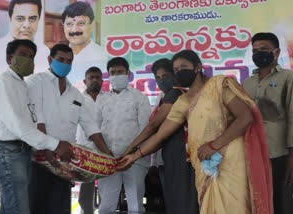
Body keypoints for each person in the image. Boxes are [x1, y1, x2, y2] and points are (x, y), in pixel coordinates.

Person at [118, 50, 273, 214]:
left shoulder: (218, 85)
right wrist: (134, 156)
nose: (179, 72)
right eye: (176, 69)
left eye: (183, 66)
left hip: (231, 161)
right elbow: (160, 135)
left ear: (198, 67)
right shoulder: (183, 101)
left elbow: (245, 117)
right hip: (204, 166)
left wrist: (214, 145)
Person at [0, 39, 74, 214]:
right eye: (23, 55)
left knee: (13, 207)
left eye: (31, 57)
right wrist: (55, 144)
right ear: (10, 58)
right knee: (18, 209)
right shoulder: (4, 82)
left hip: (21, 152)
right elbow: (17, 126)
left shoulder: (21, 84)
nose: (28, 60)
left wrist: (46, 148)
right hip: (8, 152)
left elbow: (27, 123)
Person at [27, 44, 111, 214]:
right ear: (50, 60)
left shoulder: (75, 94)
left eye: (69, 61)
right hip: (38, 161)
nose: (65, 64)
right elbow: (37, 118)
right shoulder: (35, 82)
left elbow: (91, 127)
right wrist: (49, 151)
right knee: (36, 207)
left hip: (64, 164)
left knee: (61, 208)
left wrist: (108, 157)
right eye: (61, 60)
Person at [120, 58, 198, 213]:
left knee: (182, 201)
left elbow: (154, 126)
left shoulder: (175, 93)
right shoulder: (166, 96)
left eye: (166, 75)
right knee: (175, 200)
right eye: (158, 78)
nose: (162, 81)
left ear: (174, 74)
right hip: (171, 155)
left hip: (181, 155)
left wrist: (131, 148)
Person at [243, 32, 293, 214]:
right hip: (252, 153)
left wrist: (291, 156)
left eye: (263, 49)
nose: (258, 53)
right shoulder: (247, 83)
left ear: (277, 52)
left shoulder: (288, 78)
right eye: (255, 50)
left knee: (281, 202)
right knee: (257, 202)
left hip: (279, 152)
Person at [96, 57, 151, 213]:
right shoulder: (102, 99)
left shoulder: (140, 98)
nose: (116, 75)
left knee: (135, 205)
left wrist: (132, 154)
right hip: (107, 159)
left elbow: (145, 129)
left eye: (120, 71)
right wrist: (104, 152)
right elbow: (95, 129)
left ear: (128, 73)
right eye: (112, 72)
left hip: (134, 160)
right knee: (106, 205)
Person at [76, 66, 106, 214]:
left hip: (105, 148)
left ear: (102, 80)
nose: (94, 80)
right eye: (91, 77)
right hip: (83, 148)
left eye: (97, 77)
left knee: (106, 189)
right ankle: (86, 211)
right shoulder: (77, 99)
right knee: (85, 189)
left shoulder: (108, 98)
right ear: (85, 81)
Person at [0, 0, 49, 73]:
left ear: (38, 20)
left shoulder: (44, 51)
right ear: (10, 19)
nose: (27, 25)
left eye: (32, 18)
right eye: (20, 19)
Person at [62, 1, 107, 85]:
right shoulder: (59, 56)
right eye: (69, 24)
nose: (74, 30)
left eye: (81, 23)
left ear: (92, 25)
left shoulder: (101, 55)